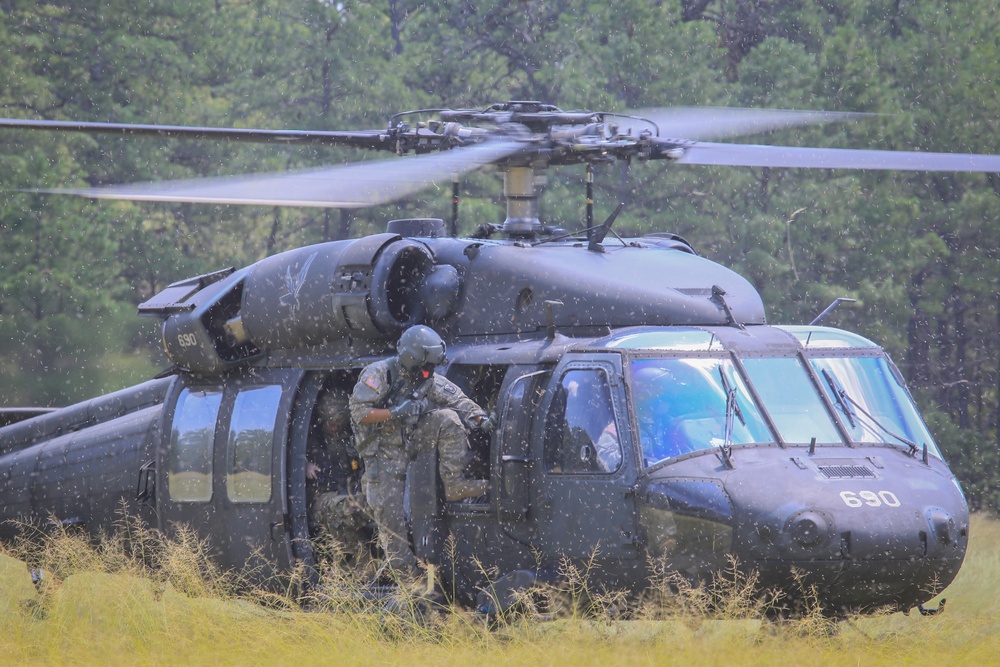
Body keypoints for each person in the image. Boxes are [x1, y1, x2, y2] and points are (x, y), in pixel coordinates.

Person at [349, 325, 493, 573]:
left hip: (410, 439)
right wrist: (394, 413)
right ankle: (410, 585)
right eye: (426, 366)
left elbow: (456, 398)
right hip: (382, 457)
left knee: (448, 418)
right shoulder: (379, 375)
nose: (430, 372)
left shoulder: (425, 377)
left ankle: (454, 483)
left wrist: (481, 419)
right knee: (392, 529)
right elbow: (359, 412)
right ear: (412, 359)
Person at [306, 391, 370, 563]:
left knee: (358, 510)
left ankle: (357, 572)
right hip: (320, 498)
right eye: (330, 424)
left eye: (339, 425)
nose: (334, 429)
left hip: (347, 491)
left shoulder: (352, 437)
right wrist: (303, 465)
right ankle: (357, 570)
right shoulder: (310, 438)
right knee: (345, 511)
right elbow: (282, 459)